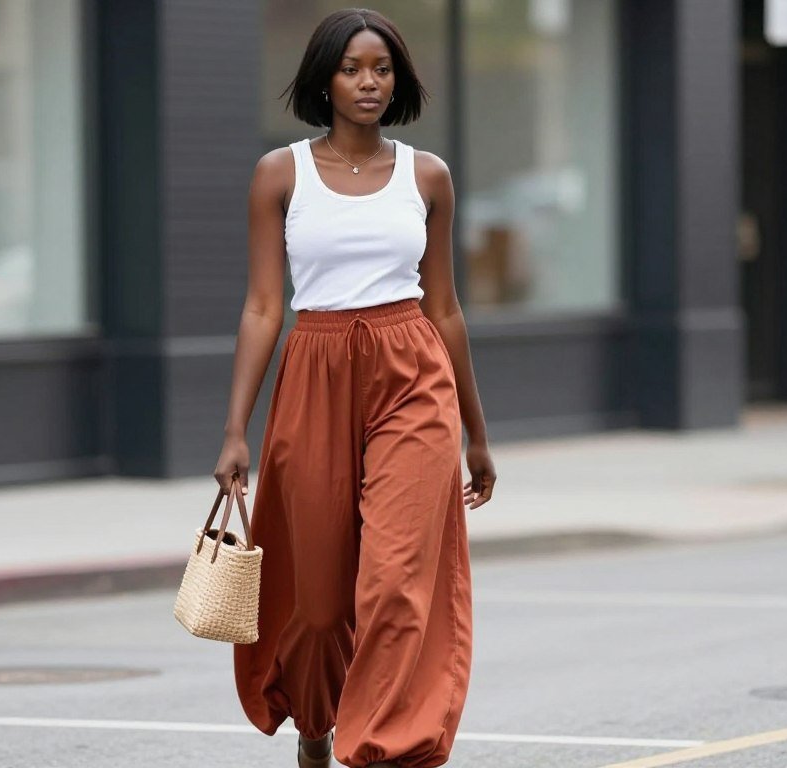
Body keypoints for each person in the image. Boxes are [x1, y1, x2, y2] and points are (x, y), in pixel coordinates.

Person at [213, 8, 497, 768]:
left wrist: (477, 432)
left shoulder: (426, 174)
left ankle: (386, 749)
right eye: (351, 68)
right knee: (318, 602)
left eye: (382, 68)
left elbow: (446, 309)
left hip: (412, 371)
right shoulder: (281, 173)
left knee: (397, 583)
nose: (368, 82)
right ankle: (317, 719)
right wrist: (236, 428)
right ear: (324, 80)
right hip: (315, 368)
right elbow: (263, 306)